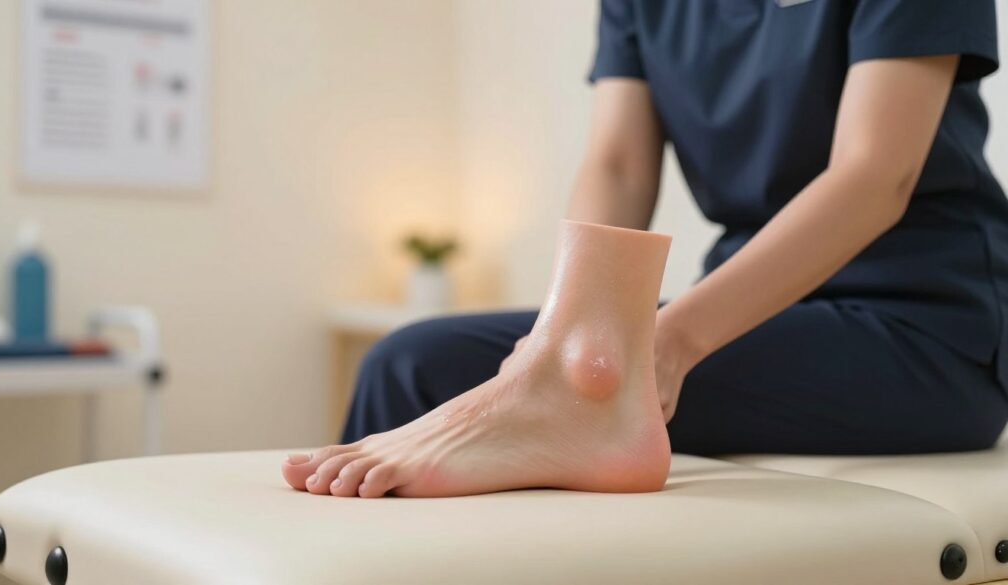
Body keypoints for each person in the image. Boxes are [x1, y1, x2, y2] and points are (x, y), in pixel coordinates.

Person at [283, 0, 1008, 497]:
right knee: (406, 362)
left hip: (919, 328)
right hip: (749, 318)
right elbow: (618, 166)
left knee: (433, 372)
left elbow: (875, 176)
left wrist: (668, 342)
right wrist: (566, 332)